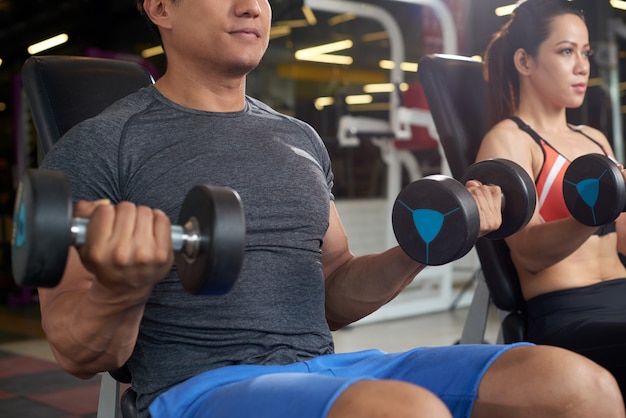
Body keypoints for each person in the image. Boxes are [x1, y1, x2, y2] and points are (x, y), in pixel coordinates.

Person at [35, 0, 624, 417]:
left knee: (574, 384)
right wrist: (120, 290)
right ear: (160, 6)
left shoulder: (300, 138)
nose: (251, 7)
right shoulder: (101, 143)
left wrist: (419, 249)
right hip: (201, 388)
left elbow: (334, 292)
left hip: (334, 369)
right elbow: (73, 347)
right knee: (402, 413)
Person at [476, 0, 626, 401]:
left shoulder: (595, 139)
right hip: (570, 313)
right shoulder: (508, 142)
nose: (582, 66)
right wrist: (596, 212)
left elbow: (623, 241)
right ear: (524, 61)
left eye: (585, 52)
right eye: (566, 51)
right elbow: (528, 254)